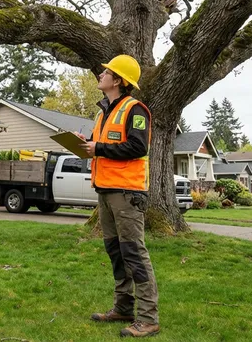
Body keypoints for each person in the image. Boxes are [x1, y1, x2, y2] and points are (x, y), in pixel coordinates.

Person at [76, 54, 159, 338]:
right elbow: (102, 145)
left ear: (119, 80)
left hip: (127, 193)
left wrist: (97, 148)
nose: (101, 74)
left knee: (134, 253)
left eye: (107, 72)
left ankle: (148, 318)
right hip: (105, 190)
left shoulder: (135, 110)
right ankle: (123, 308)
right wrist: (86, 145)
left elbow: (138, 148)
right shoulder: (103, 112)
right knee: (116, 252)